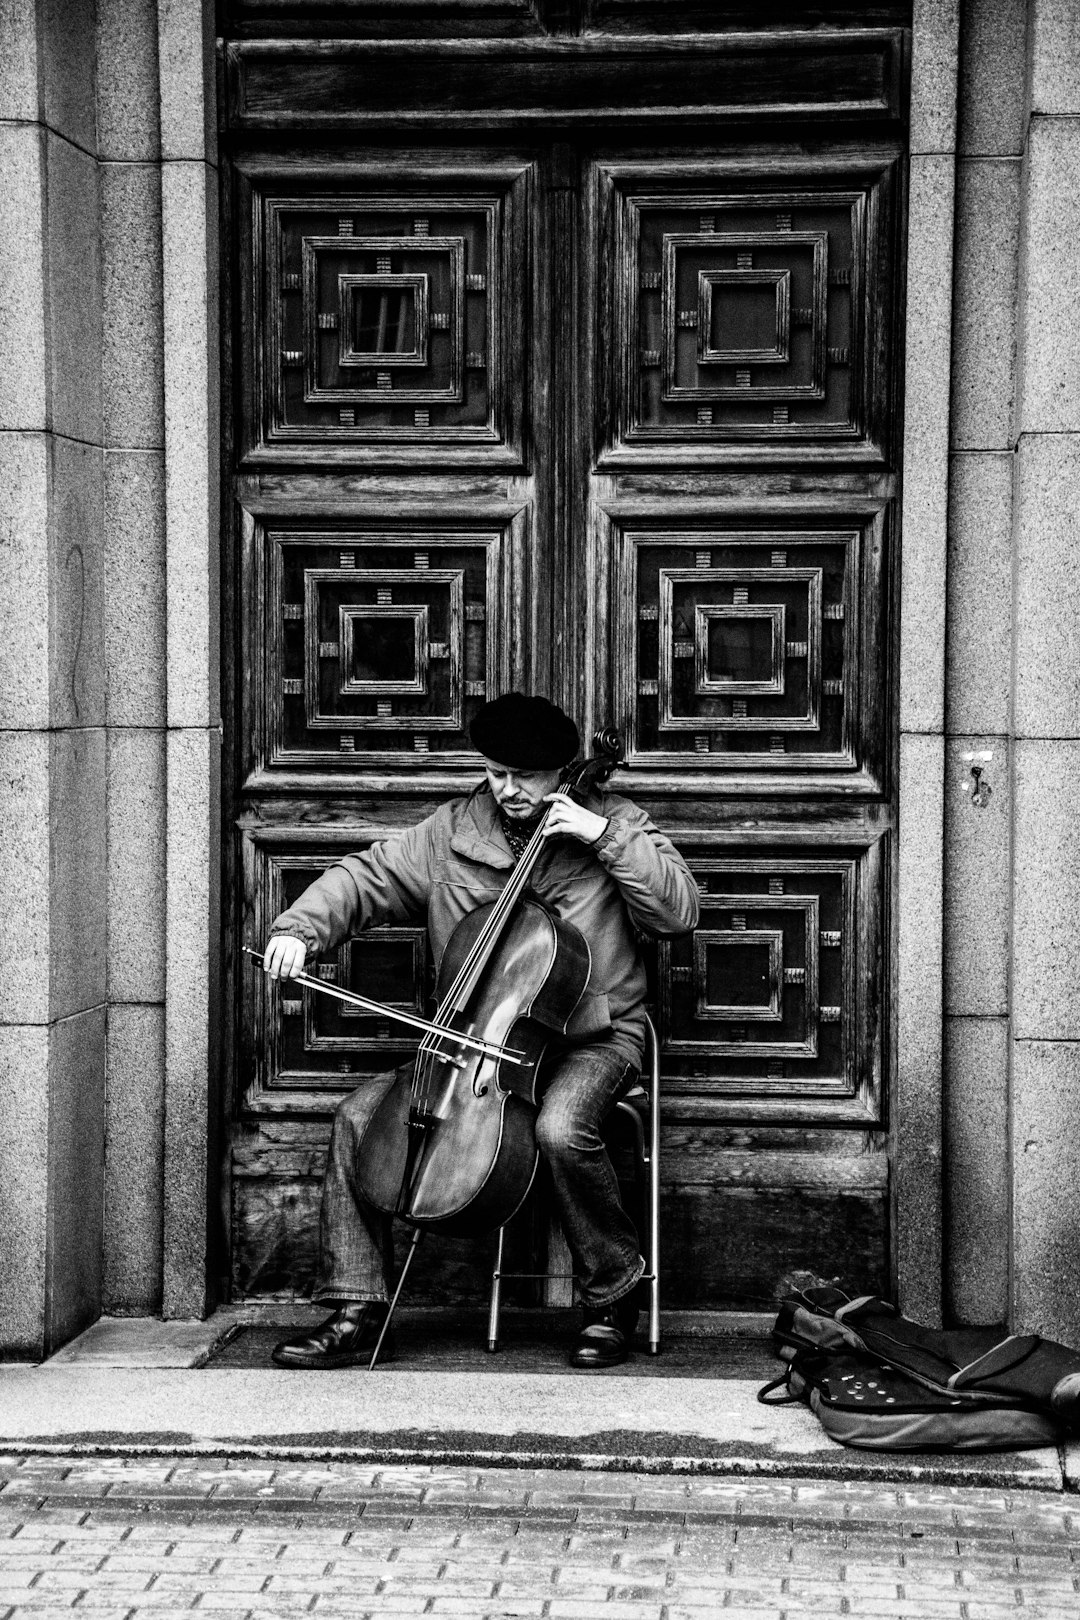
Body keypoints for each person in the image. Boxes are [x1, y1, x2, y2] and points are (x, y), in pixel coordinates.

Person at [263, 692, 699, 1371]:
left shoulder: (615, 822)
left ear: (560, 771)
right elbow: (367, 877)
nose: (507, 790)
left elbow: (678, 912)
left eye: (524, 777)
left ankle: (612, 1294)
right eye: (496, 773)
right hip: (481, 1041)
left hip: (596, 1037)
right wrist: (298, 931)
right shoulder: (454, 830)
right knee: (356, 1117)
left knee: (561, 1128)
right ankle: (355, 1308)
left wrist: (600, 837)